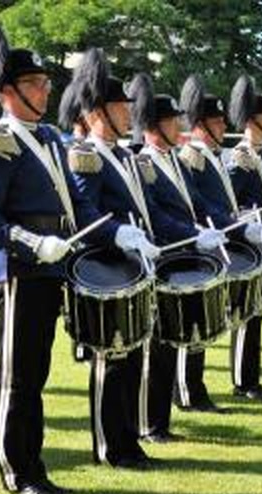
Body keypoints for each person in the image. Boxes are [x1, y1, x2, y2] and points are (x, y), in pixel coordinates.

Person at [0, 23, 153, 494]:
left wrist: (113, 232)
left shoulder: (48, 137)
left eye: (46, 83)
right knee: (17, 376)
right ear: (7, 92)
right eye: (33, 84)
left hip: (52, 270)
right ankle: (17, 472)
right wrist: (28, 241)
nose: (45, 91)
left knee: (37, 374)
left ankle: (35, 466)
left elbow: (75, 209)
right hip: (20, 272)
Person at [67, 48, 162, 468]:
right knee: (112, 357)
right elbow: (83, 214)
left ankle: (128, 440)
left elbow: (149, 210)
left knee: (134, 355)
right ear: (97, 113)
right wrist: (118, 232)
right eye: (121, 107)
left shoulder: (126, 156)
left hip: (134, 264)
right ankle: (109, 446)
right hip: (106, 267)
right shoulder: (85, 155)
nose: (129, 113)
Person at [126, 72, 228, 443]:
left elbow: (197, 205)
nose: (178, 126)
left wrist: (230, 226)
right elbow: (155, 214)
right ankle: (149, 424)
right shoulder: (144, 163)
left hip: (185, 255)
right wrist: (193, 233)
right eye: (171, 121)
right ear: (154, 126)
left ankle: (161, 421)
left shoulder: (175, 161)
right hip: (163, 259)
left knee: (173, 341)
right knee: (157, 345)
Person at [175, 74, 262, 412]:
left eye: (221, 120)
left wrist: (238, 222)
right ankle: (188, 390)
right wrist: (233, 226)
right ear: (200, 125)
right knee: (193, 324)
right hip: (203, 244)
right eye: (216, 121)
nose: (222, 126)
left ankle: (196, 388)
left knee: (205, 322)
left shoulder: (213, 155)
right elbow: (201, 206)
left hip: (221, 238)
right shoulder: (193, 156)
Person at [226, 74, 262, 397]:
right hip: (248, 245)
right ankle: (242, 381)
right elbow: (232, 205)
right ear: (252, 121)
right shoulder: (240, 159)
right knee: (246, 314)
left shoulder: (258, 156)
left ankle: (251, 379)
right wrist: (250, 221)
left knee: (256, 312)